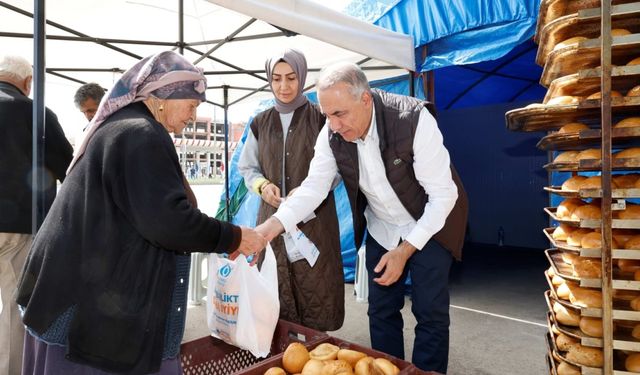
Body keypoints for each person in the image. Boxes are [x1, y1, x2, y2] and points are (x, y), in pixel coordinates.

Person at [15, 51, 267, 375]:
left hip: (77, 289)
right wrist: (233, 237)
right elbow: (168, 222)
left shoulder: (126, 127)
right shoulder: (141, 134)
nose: (192, 116)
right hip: (84, 304)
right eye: (192, 105)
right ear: (164, 97)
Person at [255, 62, 468, 373]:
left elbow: (443, 196)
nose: (334, 124)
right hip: (383, 227)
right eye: (327, 115)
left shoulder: (412, 119)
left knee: (430, 312)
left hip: (430, 223)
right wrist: (269, 228)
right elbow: (314, 187)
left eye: (340, 113)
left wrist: (406, 250)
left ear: (365, 99)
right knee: (381, 310)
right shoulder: (332, 132)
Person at [238, 48, 344, 331]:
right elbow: (248, 168)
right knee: (275, 290)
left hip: (314, 222)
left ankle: (315, 357)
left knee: (315, 292)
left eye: (291, 78)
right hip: (271, 218)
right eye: (276, 79)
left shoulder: (320, 118)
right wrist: (262, 186)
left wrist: (308, 191)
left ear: (303, 78)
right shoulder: (260, 123)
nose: (283, 86)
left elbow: (337, 168)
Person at [0, 54, 73, 375]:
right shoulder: (35, 113)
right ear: (28, 83)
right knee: (16, 310)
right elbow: (69, 170)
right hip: (19, 226)